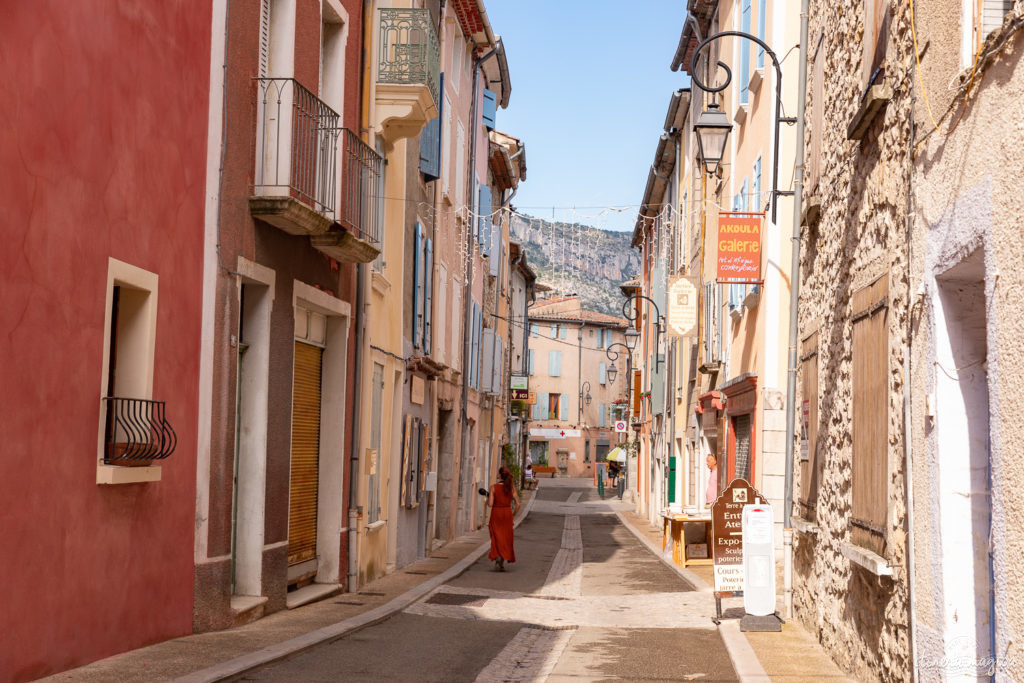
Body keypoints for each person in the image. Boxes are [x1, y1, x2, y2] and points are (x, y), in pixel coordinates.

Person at [487, 466, 520, 571]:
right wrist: (513, 515)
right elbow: (518, 504)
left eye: (498, 472)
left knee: (496, 536)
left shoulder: (493, 487)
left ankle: (497, 555)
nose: (497, 474)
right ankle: (501, 562)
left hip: (496, 513)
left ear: (500, 475)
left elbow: (490, 504)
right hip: (507, 513)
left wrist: (488, 497)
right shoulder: (511, 488)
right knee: (506, 537)